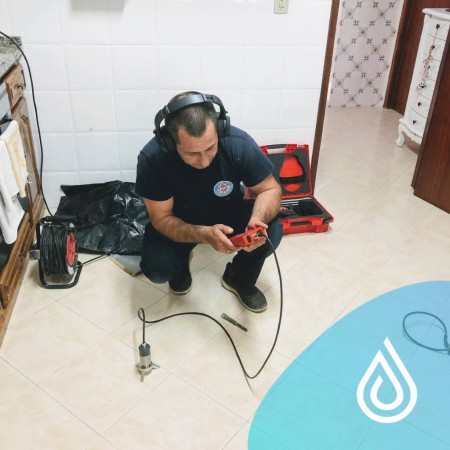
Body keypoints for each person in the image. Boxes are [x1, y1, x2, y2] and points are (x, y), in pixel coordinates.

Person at [135, 91, 283, 313]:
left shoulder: (237, 143)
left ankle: (238, 278)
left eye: (210, 148)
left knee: (271, 231)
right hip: (179, 218)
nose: (204, 161)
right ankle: (180, 267)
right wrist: (204, 234)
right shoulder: (153, 159)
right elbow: (161, 218)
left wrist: (256, 220)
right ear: (170, 141)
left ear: (220, 130)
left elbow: (270, 189)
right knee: (157, 269)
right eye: (192, 153)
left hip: (228, 210)